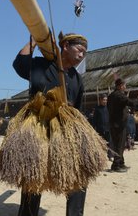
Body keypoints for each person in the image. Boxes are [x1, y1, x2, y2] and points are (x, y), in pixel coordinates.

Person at [13, 33, 88, 216]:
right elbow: (20, 64)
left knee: (79, 175)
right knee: (34, 177)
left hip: (64, 132)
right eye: (79, 50)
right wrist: (34, 39)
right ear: (65, 46)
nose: (82, 55)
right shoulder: (41, 65)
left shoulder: (77, 79)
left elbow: (77, 110)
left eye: (84, 53)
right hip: (38, 127)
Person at [107, 78, 138, 172]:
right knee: (119, 145)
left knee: (119, 144)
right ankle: (116, 165)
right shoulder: (119, 95)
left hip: (114, 123)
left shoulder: (111, 95)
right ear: (120, 86)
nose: (125, 87)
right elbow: (133, 103)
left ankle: (121, 163)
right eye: (124, 85)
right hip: (118, 124)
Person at [93, 94, 112, 160]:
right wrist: (94, 129)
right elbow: (94, 120)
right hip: (100, 129)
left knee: (109, 143)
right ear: (100, 100)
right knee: (100, 143)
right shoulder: (97, 109)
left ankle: (109, 156)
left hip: (108, 129)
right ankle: (101, 157)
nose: (105, 101)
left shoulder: (108, 108)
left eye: (106, 100)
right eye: (104, 100)